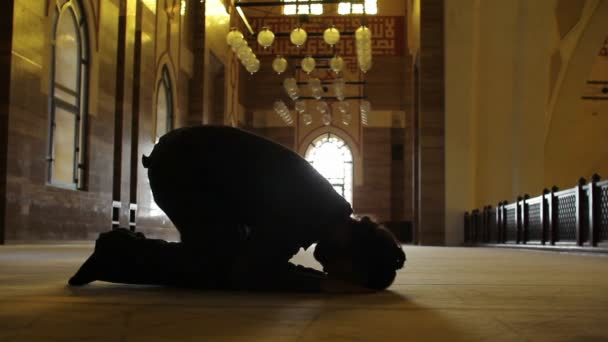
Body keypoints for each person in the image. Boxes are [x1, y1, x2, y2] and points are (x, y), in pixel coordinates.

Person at [69, 126, 406, 292]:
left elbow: (267, 260)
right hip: (181, 170)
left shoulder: (321, 210)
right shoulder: (306, 209)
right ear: (354, 254)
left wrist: (313, 280)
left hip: (195, 170)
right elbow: (251, 271)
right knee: (217, 268)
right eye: (348, 274)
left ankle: (120, 252)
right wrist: (320, 286)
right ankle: (118, 252)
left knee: (229, 260)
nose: (337, 275)